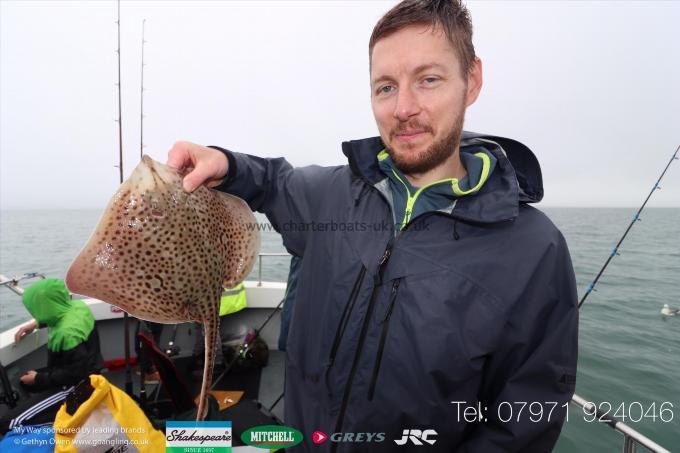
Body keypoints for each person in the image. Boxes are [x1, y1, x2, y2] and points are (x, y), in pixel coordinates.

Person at [166, 1, 579, 451]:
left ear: (472, 80)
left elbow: (521, 424)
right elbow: (273, 181)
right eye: (385, 87)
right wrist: (225, 163)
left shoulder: (534, 250)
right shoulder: (329, 195)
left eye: (428, 80)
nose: (403, 107)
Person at [1, 278, 104, 433]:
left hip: (77, 387)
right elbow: (58, 311)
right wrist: (35, 324)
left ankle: (61, 427)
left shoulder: (67, 333)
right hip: (83, 374)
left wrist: (38, 378)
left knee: (9, 423)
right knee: (24, 382)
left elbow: (76, 373)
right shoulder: (78, 307)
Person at [191, 282, 248, 377]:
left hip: (216, 299)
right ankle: (198, 356)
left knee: (210, 330)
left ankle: (217, 364)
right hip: (228, 297)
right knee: (201, 325)